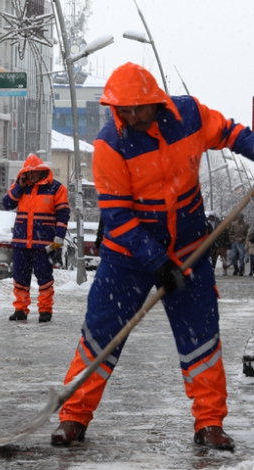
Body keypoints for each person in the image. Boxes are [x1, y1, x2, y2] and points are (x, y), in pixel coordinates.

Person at [50, 62, 254, 451]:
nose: (128, 116)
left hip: (190, 248)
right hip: (126, 257)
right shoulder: (111, 144)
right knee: (100, 335)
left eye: (135, 109)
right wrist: (157, 263)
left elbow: (230, 133)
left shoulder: (189, 116)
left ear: (155, 101)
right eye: (121, 109)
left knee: (202, 338)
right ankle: (74, 415)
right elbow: (119, 219)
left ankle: (209, 422)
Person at [2, 154, 69, 323]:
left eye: (34, 172)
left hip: (44, 244)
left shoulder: (57, 189)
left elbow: (63, 214)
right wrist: (18, 186)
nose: (31, 176)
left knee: (45, 278)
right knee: (20, 278)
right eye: (28, 173)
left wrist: (58, 240)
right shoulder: (20, 188)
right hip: (21, 243)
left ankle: (45, 310)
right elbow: (7, 204)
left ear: (42, 172)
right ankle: (20, 309)